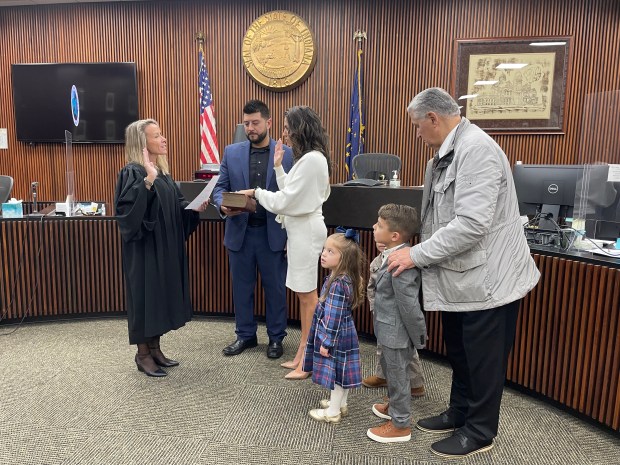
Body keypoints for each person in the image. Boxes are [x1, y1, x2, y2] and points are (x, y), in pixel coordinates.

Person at [387, 87, 540, 458]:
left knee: (483, 359)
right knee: (461, 351)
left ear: (434, 119)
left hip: (489, 281)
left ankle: (480, 431)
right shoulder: (445, 153)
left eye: (417, 126)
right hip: (460, 278)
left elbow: (471, 225)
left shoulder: (477, 151)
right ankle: (459, 412)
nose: (416, 134)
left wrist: (416, 255)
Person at [240, 106, 331, 379]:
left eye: (287, 127)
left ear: (299, 128)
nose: (283, 133)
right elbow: (291, 189)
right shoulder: (309, 159)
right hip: (300, 230)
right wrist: (279, 167)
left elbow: (286, 201)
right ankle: (303, 351)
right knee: (305, 296)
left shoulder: (313, 159)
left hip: (306, 230)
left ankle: (308, 357)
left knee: (308, 297)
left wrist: (256, 192)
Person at [114, 119, 207, 377]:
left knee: (159, 298)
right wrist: (147, 182)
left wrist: (191, 209)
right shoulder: (133, 172)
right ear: (142, 143)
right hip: (144, 251)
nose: (163, 139)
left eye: (161, 134)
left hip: (163, 248)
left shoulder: (162, 173)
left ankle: (155, 348)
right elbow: (127, 214)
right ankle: (142, 354)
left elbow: (174, 207)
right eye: (156, 136)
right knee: (146, 298)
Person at [212, 100, 293, 359]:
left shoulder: (288, 154)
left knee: (276, 289)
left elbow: (292, 195)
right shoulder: (232, 152)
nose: (250, 128)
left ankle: (276, 338)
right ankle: (245, 335)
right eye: (246, 123)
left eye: (255, 122)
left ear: (268, 123)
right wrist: (221, 207)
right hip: (241, 234)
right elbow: (219, 188)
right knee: (242, 288)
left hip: (273, 234)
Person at [366, 204, 427, 443]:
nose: (373, 227)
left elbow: (409, 306)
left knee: (399, 376)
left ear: (394, 236)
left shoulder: (401, 264)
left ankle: (401, 425)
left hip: (397, 333)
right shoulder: (389, 254)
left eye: (379, 225)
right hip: (386, 328)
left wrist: (419, 336)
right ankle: (393, 407)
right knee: (392, 372)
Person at [303, 231, 365, 422]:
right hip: (345, 332)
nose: (324, 254)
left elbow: (333, 316)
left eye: (330, 251)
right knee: (343, 370)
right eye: (324, 250)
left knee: (337, 373)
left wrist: (326, 342)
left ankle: (333, 413)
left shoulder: (337, 284)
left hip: (336, 335)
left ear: (344, 258)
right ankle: (341, 404)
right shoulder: (343, 278)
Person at [363, 239, 426, 398]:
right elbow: (372, 287)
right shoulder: (377, 261)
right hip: (380, 312)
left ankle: (415, 384)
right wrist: (374, 308)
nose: (378, 240)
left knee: (405, 352)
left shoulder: (402, 261)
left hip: (397, 316)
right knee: (382, 347)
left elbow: (408, 295)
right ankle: (383, 376)